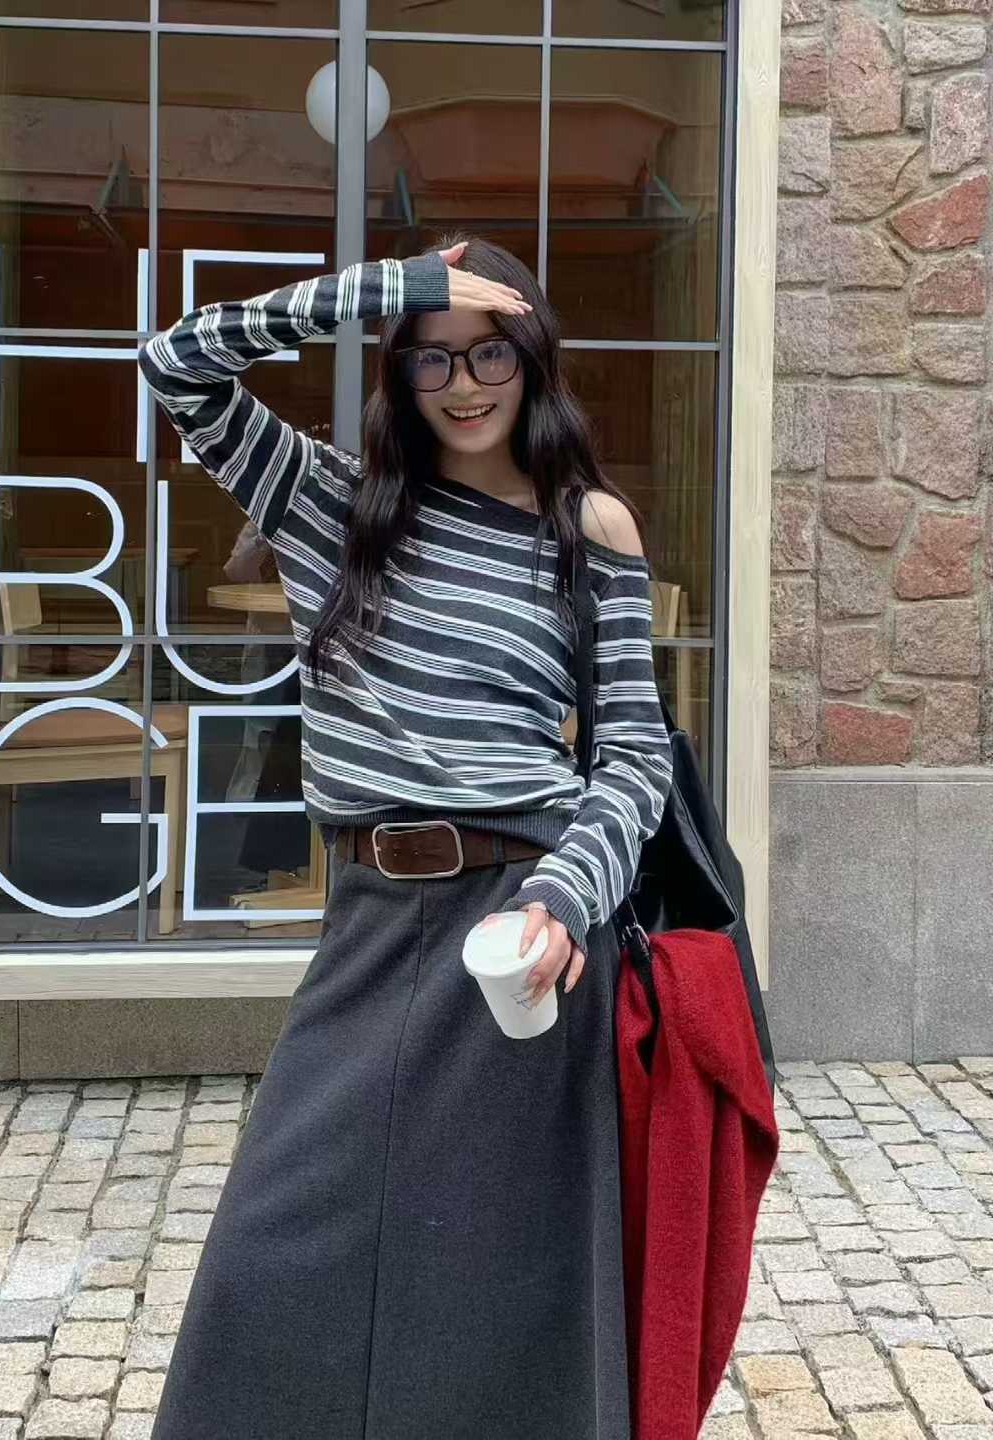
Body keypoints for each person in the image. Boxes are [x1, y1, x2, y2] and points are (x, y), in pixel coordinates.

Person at [137, 234, 675, 1440]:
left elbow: (635, 756)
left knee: (505, 1294)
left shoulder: (590, 527)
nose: (465, 383)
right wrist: (394, 287)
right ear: (400, 370)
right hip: (370, 924)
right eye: (433, 357)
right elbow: (175, 361)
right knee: (273, 1256)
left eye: (492, 353)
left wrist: (565, 898)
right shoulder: (324, 499)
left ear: (534, 360)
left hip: (522, 926)